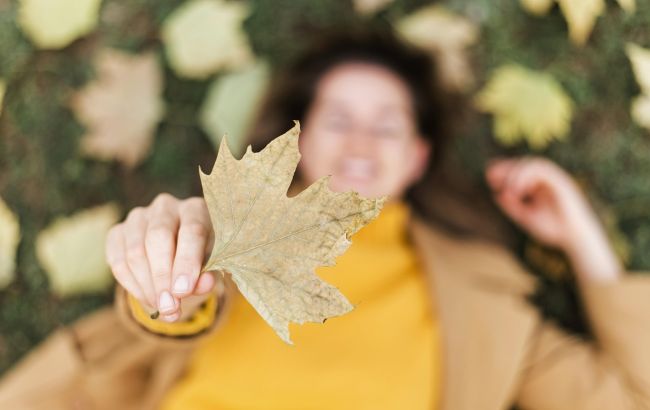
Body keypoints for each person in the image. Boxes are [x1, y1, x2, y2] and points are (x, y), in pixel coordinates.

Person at [1, 26, 649, 410]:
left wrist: (585, 245)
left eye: (387, 125)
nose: (361, 142)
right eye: (339, 119)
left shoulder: (491, 307)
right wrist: (166, 277)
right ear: (301, 140)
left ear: (418, 156)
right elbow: (173, 313)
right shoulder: (227, 237)